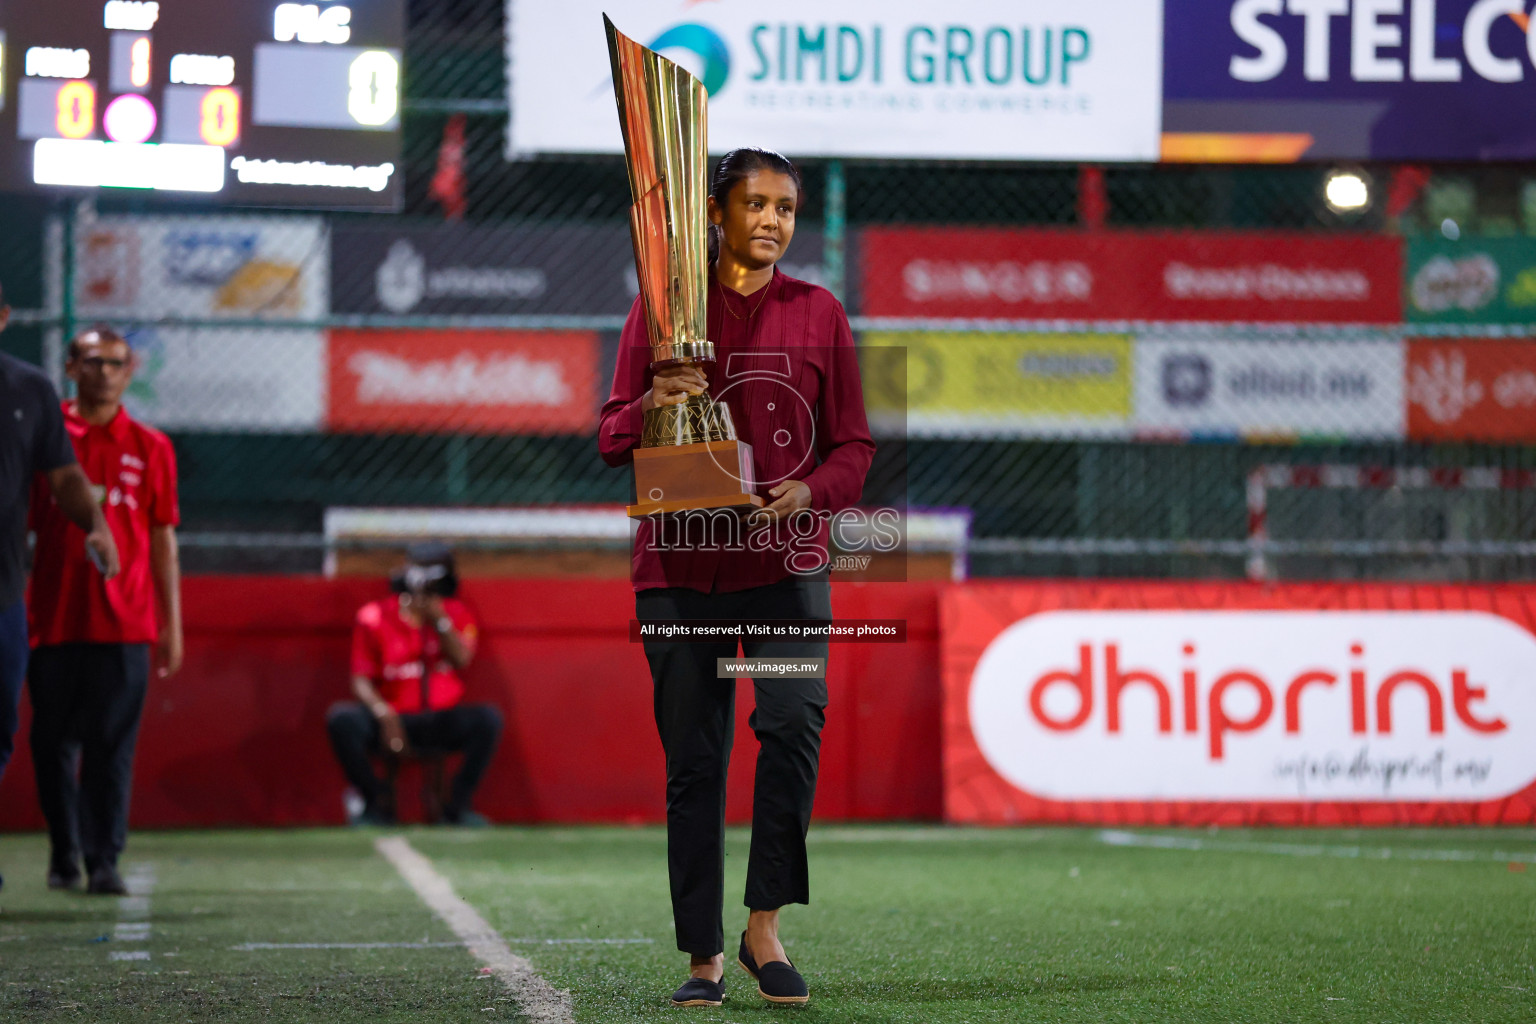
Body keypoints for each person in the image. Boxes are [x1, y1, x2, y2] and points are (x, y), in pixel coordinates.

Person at [598, 148, 874, 1007]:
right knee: (695, 761)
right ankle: (702, 959)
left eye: (786, 208)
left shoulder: (821, 312)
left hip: (785, 572)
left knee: (792, 725)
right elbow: (610, 438)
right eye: (754, 204)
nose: (772, 220)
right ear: (715, 215)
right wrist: (650, 401)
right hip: (678, 574)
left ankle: (763, 930)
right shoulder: (663, 309)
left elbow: (855, 447)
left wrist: (810, 492)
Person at [26, 327, 176, 896]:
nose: (105, 373)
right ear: (71, 367)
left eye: (116, 363)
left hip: (126, 623)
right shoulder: (45, 435)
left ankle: (104, 858)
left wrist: (171, 626)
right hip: (53, 618)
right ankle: (64, 852)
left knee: (112, 748)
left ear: (130, 371)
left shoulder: (152, 446)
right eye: (94, 361)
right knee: (50, 745)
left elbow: (164, 541)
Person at [0, 293, 121, 896]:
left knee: (1, 731)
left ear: (3, 318)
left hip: (3, 594)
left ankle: (90, 854)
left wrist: (95, 523)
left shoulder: (29, 390)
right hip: (31, 605)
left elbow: (64, 474)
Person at [326, 542, 502, 827]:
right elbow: (360, 679)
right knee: (342, 720)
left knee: (487, 720)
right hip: (391, 718)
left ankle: (456, 809)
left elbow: (460, 660)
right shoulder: (374, 616)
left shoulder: (456, 613)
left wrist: (438, 619)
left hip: (437, 720)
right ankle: (374, 805)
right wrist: (383, 713)